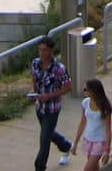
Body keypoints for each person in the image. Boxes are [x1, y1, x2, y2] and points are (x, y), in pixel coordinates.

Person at [31, 37, 73, 170]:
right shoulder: (35, 63)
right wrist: (34, 92)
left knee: (44, 141)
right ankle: (66, 146)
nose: (41, 53)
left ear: (50, 51)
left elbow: (68, 87)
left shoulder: (59, 69)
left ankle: (39, 167)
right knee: (48, 133)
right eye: (40, 50)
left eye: (44, 50)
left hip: (52, 109)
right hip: (40, 108)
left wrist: (48, 96)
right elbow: (34, 78)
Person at [71, 78, 112, 171]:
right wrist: (75, 143)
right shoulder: (85, 103)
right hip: (88, 139)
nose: (83, 91)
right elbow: (82, 123)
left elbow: (108, 130)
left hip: (100, 142)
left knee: (88, 169)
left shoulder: (105, 108)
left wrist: (107, 150)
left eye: (85, 89)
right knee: (94, 167)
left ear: (93, 91)